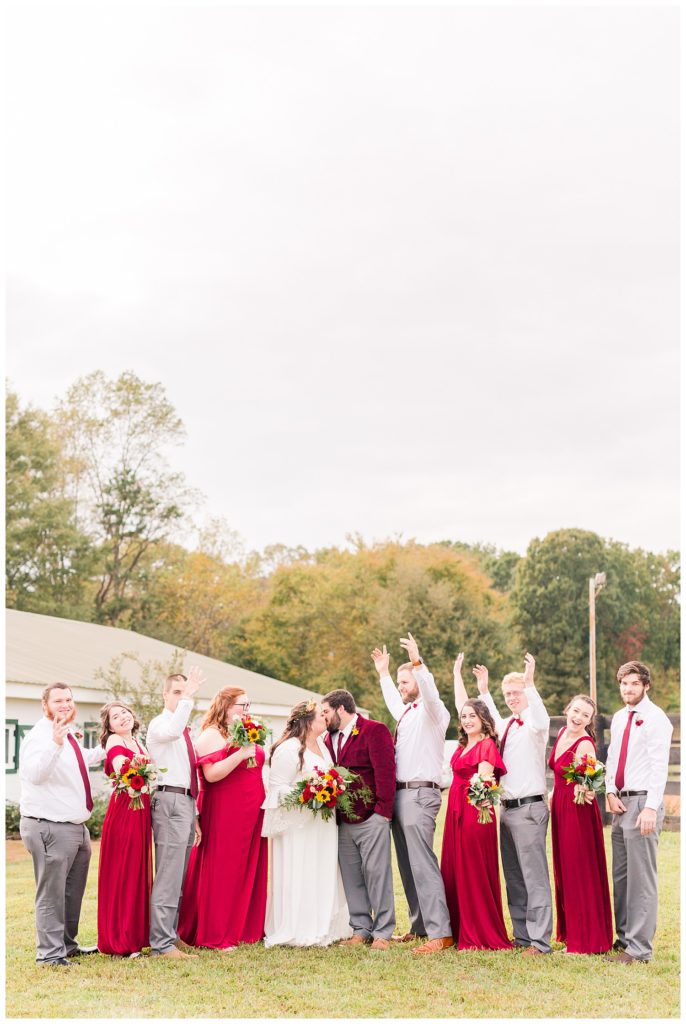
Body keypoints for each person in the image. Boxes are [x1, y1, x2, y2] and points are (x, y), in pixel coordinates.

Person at [466, 653, 553, 955]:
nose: (512, 698)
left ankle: (541, 942)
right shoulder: (508, 725)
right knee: (514, 875)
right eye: (508, 694)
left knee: (534, 876)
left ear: (526, 692)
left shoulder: (534, 725)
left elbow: (541, 717)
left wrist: (529, 683)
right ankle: (523, 935)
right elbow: (491, 715)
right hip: (507, 809)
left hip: (530, 808)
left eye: (516, 692)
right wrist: (485, 690)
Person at [372, 633, 453, 955]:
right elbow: (394, 701)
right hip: (400, 795)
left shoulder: (434, 712)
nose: (402, 687)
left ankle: (440, 932)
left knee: (422, 863)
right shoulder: (407, 712)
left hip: (421, 795)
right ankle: (420, 925)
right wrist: (383, 674)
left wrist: (418, 662)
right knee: (406, 864)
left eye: (406, 682)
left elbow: (430, 693)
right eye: (401, 682)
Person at [18, 682, 104, 966]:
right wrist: (55, 743)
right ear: (45, 706)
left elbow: (81, 760)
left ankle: (67, 945)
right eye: (58, 701)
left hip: (75, 827)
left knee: (71, 892)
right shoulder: (40, 737)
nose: (65, 704)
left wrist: (108, 747)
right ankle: (49, 955)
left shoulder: (67, 733)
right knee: (51, 894)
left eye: (68, 699)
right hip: (49, 827)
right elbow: (35, 774)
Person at [178, 687, 268, 950]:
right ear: (226, 705)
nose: (247, 710)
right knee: (223, 868)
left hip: (251, 810)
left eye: (249, 705)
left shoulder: (244, 731)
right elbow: (211, 775)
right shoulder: (211, 735)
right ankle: (215, 932)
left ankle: (241, 927)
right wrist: (241, 753)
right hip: (225, 810)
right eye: (242, 705)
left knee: (245, 868)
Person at [261, 700, 352, 947]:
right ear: (307, 721)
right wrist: (307, 792)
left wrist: (328, 789)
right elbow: (277, 788)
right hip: (298, 825)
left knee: (322, 867)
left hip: (322, 822)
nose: (325, 717)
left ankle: (324, 922)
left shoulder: (323, 744)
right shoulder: (289, 748)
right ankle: (298, 925)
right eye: (320, 714)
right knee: (301, 867)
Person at [604, 661, 673, 964]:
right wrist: (608, 791)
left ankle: (640, 949)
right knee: (621, 876)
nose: (628, 689)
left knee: (641, 878)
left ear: (646, 685)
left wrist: (649, 807)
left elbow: (659, 767)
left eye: (634, 683)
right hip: (620, 803)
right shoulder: (620, 717)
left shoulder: (656, 719)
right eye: (624, 683)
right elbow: (612, 757)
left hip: (643, 802)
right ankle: (624, 940)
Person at [321, 689, 396, 950]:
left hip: (371, 817)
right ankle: (361, 928)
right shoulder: (327, 738)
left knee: (377, 874)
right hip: (342, 820)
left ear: (341, 709)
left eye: (327, 712)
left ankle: (383, 932)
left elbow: (386, 771)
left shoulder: (374, 730)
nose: (324, 717)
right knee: (351, 876)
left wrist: (383, 813)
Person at [440, 685, 511, 951]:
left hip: (475, 809)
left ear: (483, 719)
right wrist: (456, 676)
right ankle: (457, 926)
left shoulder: (486, 745)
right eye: (464, 716)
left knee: (473, 867)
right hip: (455, 809)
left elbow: (484, 779)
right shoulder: (462, 746)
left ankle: (479, 930)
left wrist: (478, 802)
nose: (467, 720)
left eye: (472, 716)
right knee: (455, 866)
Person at [146, 667, 205, 960]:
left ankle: (171, 935)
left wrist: (193, 815)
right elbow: (171, 731)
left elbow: (187, 773)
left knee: (178, 874)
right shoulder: (160, 725)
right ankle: (161, 943)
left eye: (185, 692)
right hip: (168, 801)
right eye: (177, 693)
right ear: (165, 695)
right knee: (168, 875)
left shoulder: (183, 730)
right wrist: (189, 698)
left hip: (183, 802)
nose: (182, 698)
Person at [548, 694, 612, 954]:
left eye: (585, 715)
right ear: (568, 709)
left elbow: (587, 782)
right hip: (560, 807)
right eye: (576, 711)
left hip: (577, 811)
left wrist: (585, 788)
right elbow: (559, 772)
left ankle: (585, 939)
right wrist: (554, 792)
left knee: (578, 870)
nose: (578, 718)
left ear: (590, 720)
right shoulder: (563, 732)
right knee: (564, 868)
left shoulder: (586, 744)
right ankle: (572, 931)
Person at [97, 701, 153, 957]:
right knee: (124, 871)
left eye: (124, 712)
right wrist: (131, 766)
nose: (122, 718)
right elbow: (120, 764)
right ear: (108, 726)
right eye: (115, 716)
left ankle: (135, 935)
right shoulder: (114, 742)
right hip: (125, 811)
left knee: (138, 871)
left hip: (141, 811)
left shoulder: (138, 742)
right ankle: (119, 942)